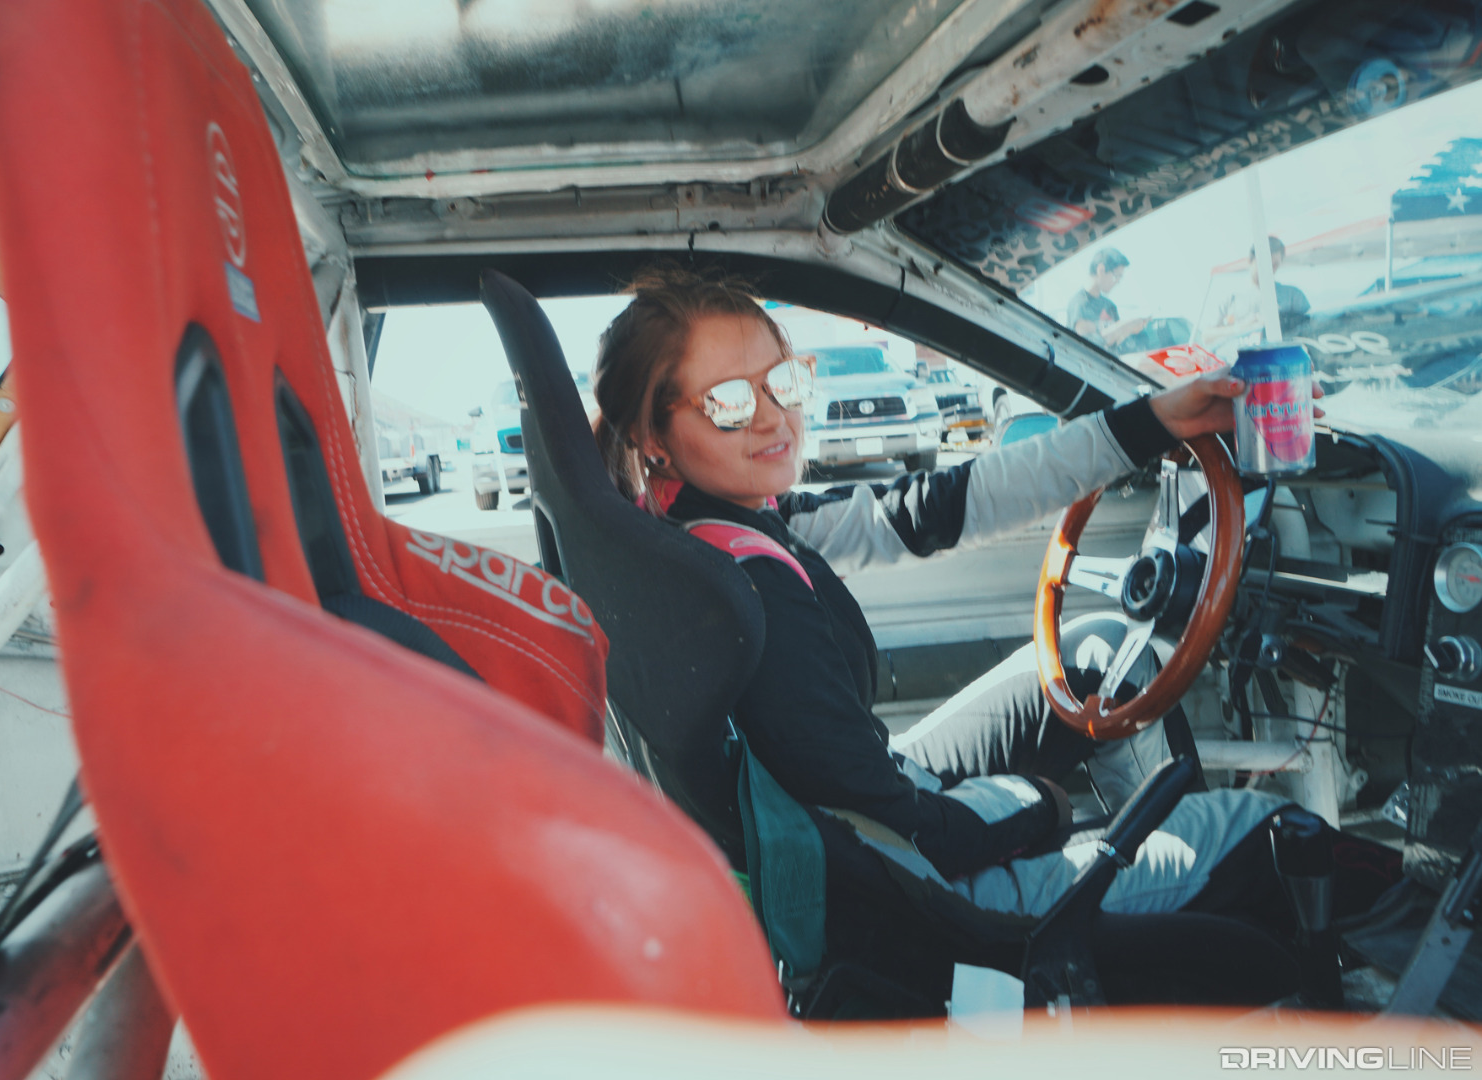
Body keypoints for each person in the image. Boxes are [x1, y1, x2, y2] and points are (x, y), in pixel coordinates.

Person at [590, 265, 1396, 997]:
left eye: (783, 382)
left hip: (863, 822)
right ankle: (1167, 917)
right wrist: (1039, 812)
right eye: (729, 402)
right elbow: (911, 831)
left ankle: (1133, 894)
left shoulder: (715, 532)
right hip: (922, 891)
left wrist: (1151, 422)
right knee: (1266, 832)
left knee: (1089, 663)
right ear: (655, 438)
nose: (773, 419)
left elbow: (941, 505)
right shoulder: (746, 589)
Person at [1206, 235, 1310, 351]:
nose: (1270, 268)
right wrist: (1241, 328)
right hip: (1239, 364)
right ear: (1250, 260)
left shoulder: (1294, 297)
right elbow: (1207, 336)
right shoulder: (1230, 298)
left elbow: (1312, 330)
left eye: (1275, 264)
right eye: (1265, 262)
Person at [1067, 247, 1148, 349]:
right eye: (1116, 276)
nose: (1117, 282)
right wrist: (1125, 326)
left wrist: (1132, 329)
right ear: (1101, 270)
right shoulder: (1079, 303)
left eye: (1120, 278)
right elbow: (1087, 341)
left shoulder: (1109, 306)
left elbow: (1116, 343)